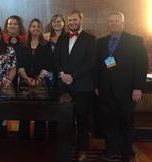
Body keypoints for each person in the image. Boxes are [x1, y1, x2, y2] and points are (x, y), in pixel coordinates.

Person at [96, 11, 148, 162]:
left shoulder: (135, 41)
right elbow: (97, 66)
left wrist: (138, 87)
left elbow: (142, 66)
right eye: (111, 22)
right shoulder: (101, 42)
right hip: (106, 90)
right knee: (109, 122)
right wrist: (97, 86)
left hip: (127, 91)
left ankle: (127, 152)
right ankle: (111, 150)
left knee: (126, 122)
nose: (113, 24)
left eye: (116, 21)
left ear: (122, 22)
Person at [54, 10, 97, 162]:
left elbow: (91, 62)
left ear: (81, 20)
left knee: (82, 120)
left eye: (75, 20)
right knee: (66, 120)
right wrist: (61, 74)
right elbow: (56, 59)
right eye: (70, 20)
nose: (72, 23)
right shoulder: (62, 38)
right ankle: (66, 149)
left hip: (83, 86)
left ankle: (82, 150)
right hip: (63, 86)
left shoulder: (90, 39)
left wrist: (73, 76)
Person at [18, 18, 52, 140]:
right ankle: (23, 139)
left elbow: (48, 64)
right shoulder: (23, 45)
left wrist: (38, 79)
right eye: (33, 26)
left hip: (41, 82)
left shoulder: (46, 45)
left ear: (41, 29)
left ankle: (40, 140)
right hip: (24, 82)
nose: (35, 28)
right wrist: (26, 78)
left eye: (38, 26)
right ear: (29, 28)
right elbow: (19, 64)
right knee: (24, 113)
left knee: (40, 112)